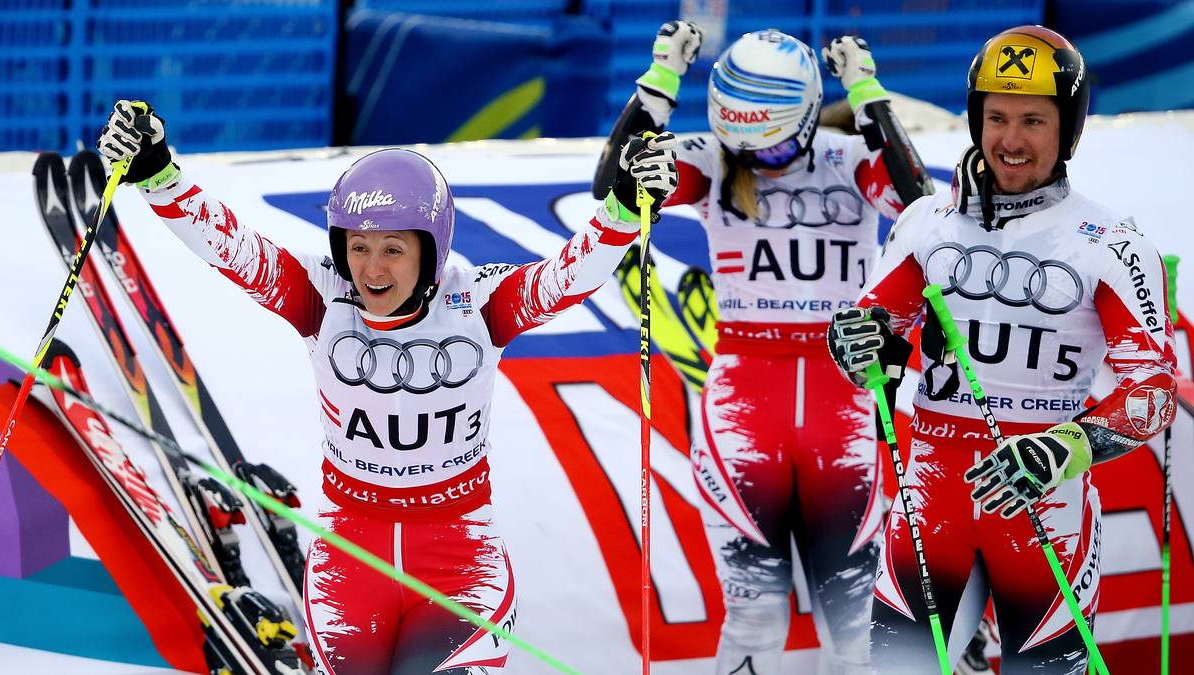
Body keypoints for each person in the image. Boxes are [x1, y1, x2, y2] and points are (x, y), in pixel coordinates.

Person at [96, 101, 679, 674]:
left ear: (431, 248)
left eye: (393, 250)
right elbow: (230, 246)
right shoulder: (321, 298)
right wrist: (156, 172)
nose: (373, 270)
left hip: (458, 564)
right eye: (359, 248)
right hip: (350, 565)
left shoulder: (477, 303)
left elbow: (567, 276)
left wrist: (624, 208)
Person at [827, 25, 1177, 673]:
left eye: (1033, 121)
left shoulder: (1110, 242)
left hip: (1044, 504)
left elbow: (1154, 393)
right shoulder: (926, 223)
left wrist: (1066, 444)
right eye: (995, 117)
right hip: (933, 496)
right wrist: (856, 345)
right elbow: (876, 334)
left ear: (1069, 131)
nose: (1009, 142)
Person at [607, 22, 933, 674]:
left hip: (843, 400)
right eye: (746, 150)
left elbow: (920, 203)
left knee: (857, 623)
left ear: (811, 118)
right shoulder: (709, 159)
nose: (761, 163)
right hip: (744, 405)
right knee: (756, 614)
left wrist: (868, 92)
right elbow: (611, 190)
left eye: (777, 150)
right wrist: (661, 80)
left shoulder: (850, 161)